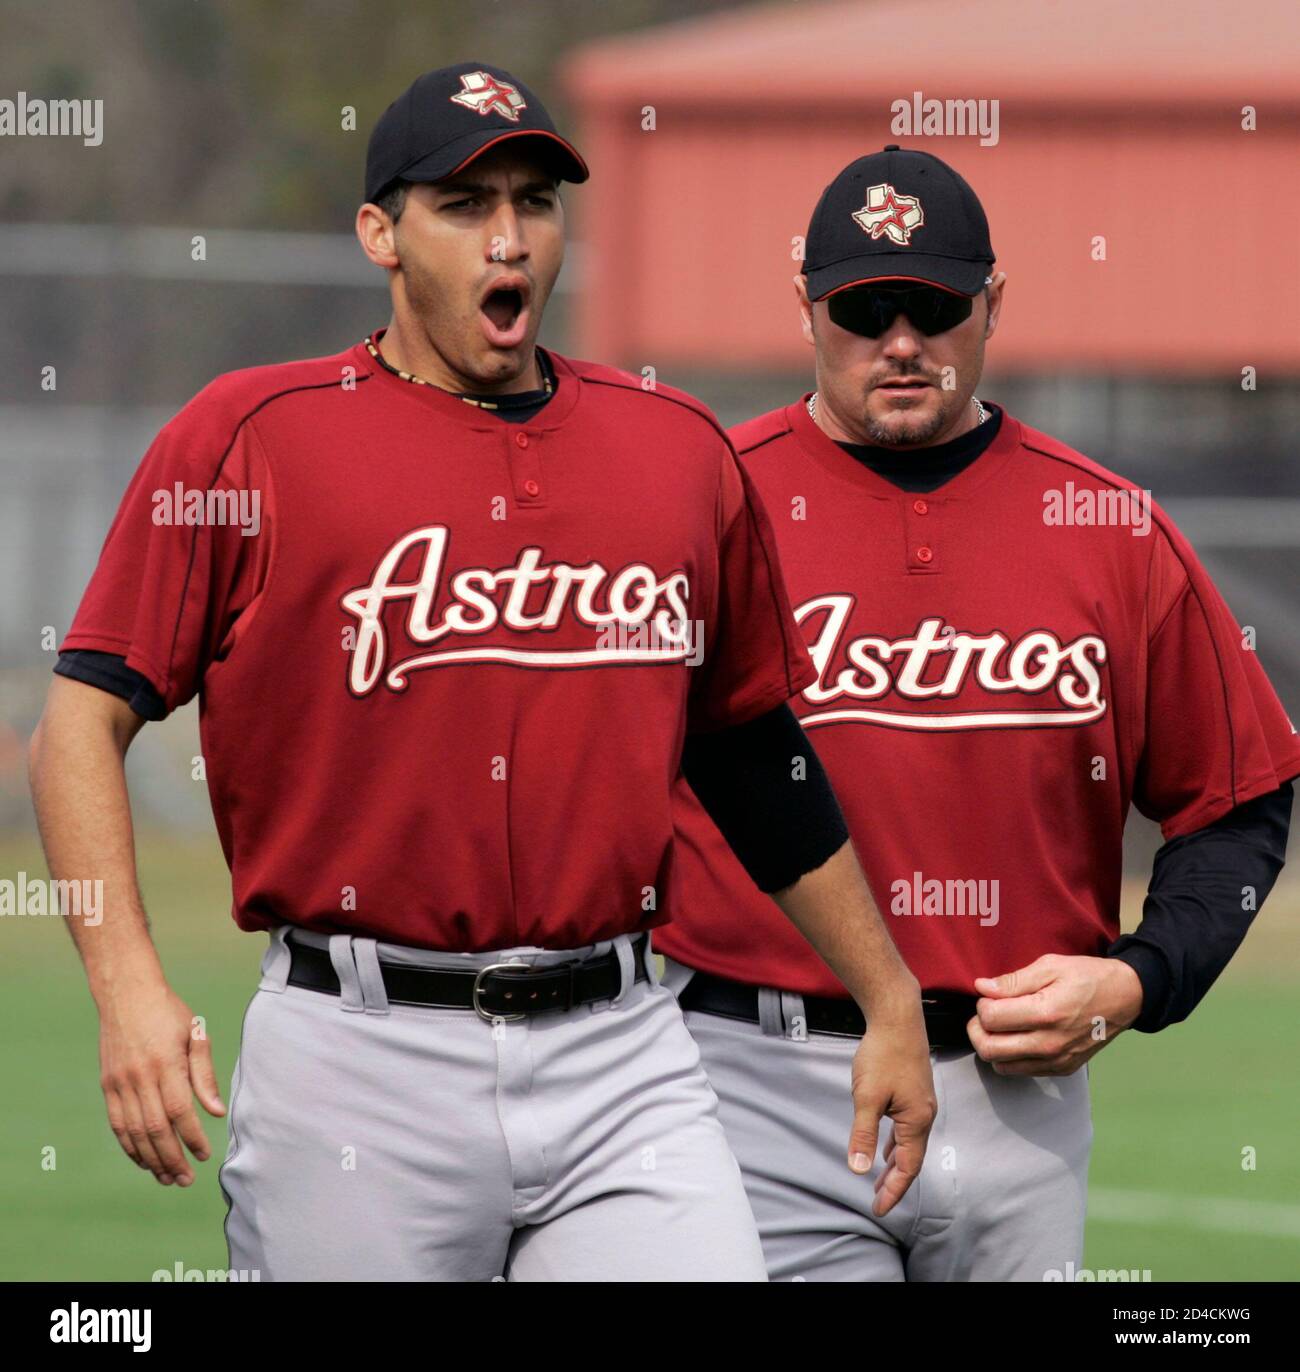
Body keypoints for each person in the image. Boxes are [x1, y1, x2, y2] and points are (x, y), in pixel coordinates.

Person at [28, 73, 934, 1282]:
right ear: (380, 234)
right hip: (360, 1052)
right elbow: (80, 723)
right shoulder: (251, 436)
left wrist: (886, 996)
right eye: (462, 204)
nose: (508, 237)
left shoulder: (672, 448)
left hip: (623, 1048)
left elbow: (749, 748)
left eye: (534, 200)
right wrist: (128, 988)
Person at [660, 145, 1299, 1282]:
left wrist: (1143, 975)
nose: (900, 341)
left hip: (1021, 1098)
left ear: (992, 305)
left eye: (935, 306)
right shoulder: (708, 501)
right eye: (863, 309)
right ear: (804, 306)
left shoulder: (1103, 524)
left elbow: (1240, 797)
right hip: (757, 1076)